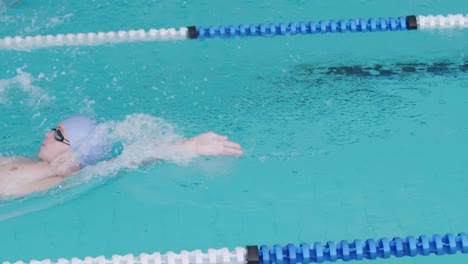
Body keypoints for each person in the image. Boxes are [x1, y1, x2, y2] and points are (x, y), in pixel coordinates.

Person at [0, 115, 243, 196]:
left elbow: (132, 157)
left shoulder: (61, 178)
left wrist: (187, 146)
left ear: (75, 151)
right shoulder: (22, 161)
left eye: (57, 134)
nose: (47, 133)